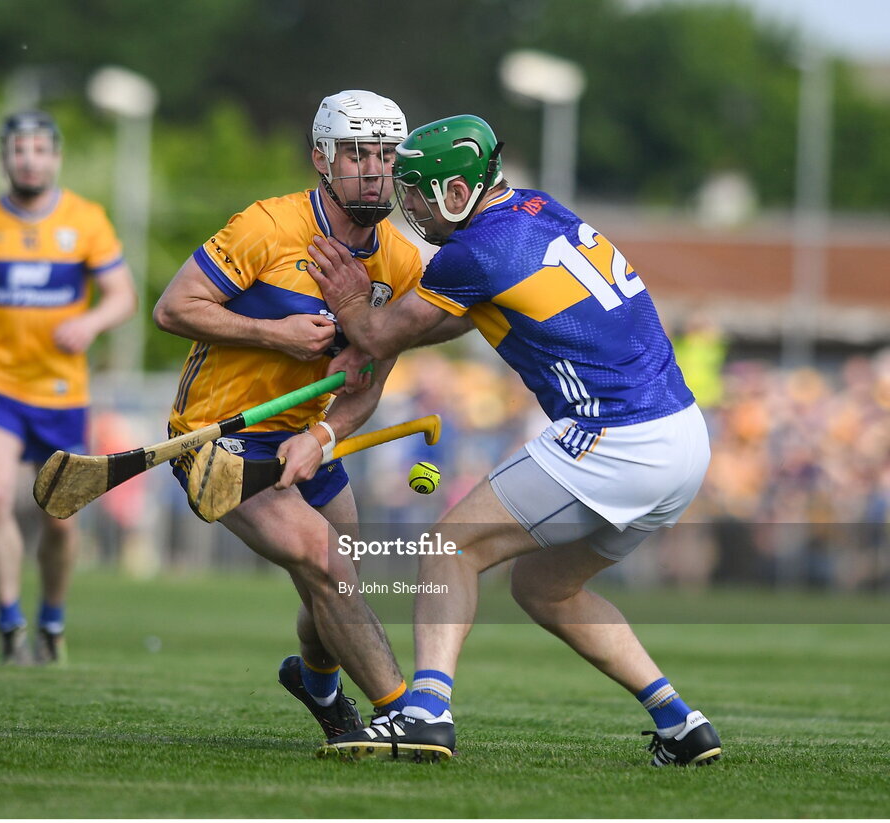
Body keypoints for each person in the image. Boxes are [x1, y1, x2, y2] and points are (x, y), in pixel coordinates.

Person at [308, 114, 723, 766]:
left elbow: (382, 335)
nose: (407, 203)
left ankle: (428, 711)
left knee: (450, 546)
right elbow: (471, 310)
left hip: (615, 436)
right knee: (544, 589)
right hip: (684, 436)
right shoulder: (537, 209)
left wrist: (353, 303)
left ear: (455, 191)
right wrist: (388, 323)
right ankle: (680, 722)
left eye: (418, 189)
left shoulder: (474, 252)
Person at [152, 90, 429, 743]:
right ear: (321, 159)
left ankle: (317, 682)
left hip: (305, 439)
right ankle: (403, 714)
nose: (374, 169)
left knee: (334, 585)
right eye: (357, 153)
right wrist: (273, 334)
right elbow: (172, 308)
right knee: (329, 565)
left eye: (387, 155)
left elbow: (367, 382)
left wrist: (324, 433)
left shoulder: (403, 261)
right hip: (219, 437)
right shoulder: (265, 228)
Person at [0, 110, 137, 665]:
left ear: (56, 157)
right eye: (18, 150)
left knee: (58, 517)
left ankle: (51, 617)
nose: (29, 159)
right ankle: (8, 623)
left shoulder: (86, 220)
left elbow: (123, 296)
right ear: (5, 158)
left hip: (62, 393)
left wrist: (91, 323)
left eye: (39, 149)